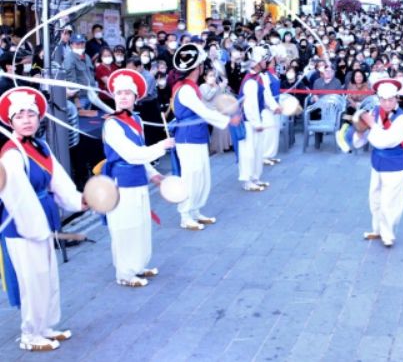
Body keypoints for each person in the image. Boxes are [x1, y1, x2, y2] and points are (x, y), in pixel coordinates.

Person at [0, 87, 85, 351]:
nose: (26, 120)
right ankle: (30, 334)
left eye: (31, 114)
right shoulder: (10, 154)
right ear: (11, 121)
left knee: (47, 276)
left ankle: (46, 326)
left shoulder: (43, 146)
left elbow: (58, 181)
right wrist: (35, 228)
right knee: (32, 280)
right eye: (20, 116)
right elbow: (17, 196)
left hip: (44, 218)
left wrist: (79, 200)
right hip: (22, 225)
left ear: (39, 118)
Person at [102, 69, 174, 288]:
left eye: (128, 93)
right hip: (121, 181)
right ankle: (125, 273)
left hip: (138, 179)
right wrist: (161, 146)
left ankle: (138, 265)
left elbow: (141, 151)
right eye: (119, 93)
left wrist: (153, 175)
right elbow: (131, 154)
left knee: (140, 223)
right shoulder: (111, 124)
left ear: (135, 97)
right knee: (125, 226)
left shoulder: (136, 119)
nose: (123, 97)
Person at [171, 43, 240, 230]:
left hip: (197, 134)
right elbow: (203, 111)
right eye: (201, 65)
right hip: (187, 137)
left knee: (201, 174)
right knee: (191, 175)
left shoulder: (190, 87)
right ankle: (185, 214)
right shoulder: (185, 89)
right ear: (197, 68)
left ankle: (195, 210)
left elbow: (204, 110)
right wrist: (228, 120)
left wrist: (224, 112)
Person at [352, 79, 403, 248]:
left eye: (390, 100)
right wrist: (359, 131)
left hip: (395, 164)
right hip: (377, 163)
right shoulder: (375, 112)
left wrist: (371, 125)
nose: (386, 104)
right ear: (378, 99)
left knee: (389, 201)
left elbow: (386, 141)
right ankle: (377, 229)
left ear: (396, 99)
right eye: (383, 100)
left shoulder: (401, 119)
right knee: (375, 198)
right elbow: (365, 135)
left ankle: (388, 234)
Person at [237, 46, 276, 191]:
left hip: (255, 119)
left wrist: (274, 106)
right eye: (263, 60)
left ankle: (255, 177)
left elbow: (266, 96)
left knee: (257, 150)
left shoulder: (259, 78)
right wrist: (256, 123)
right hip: (248, 122)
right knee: (248, 152)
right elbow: (250, 106)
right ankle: (247, 181)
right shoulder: (250, 82)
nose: (266, 62)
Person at [200, 68, 232, 154]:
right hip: (208, 110)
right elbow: (208, 97)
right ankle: (219, 146)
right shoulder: (203, 86)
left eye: (213, 76)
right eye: (210, 76)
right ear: (205, 78)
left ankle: (227, 144)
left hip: (217, 109)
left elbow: (222, 96)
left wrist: (224, 87)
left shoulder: (217, 86)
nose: (213, 78)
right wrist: (217, 87)